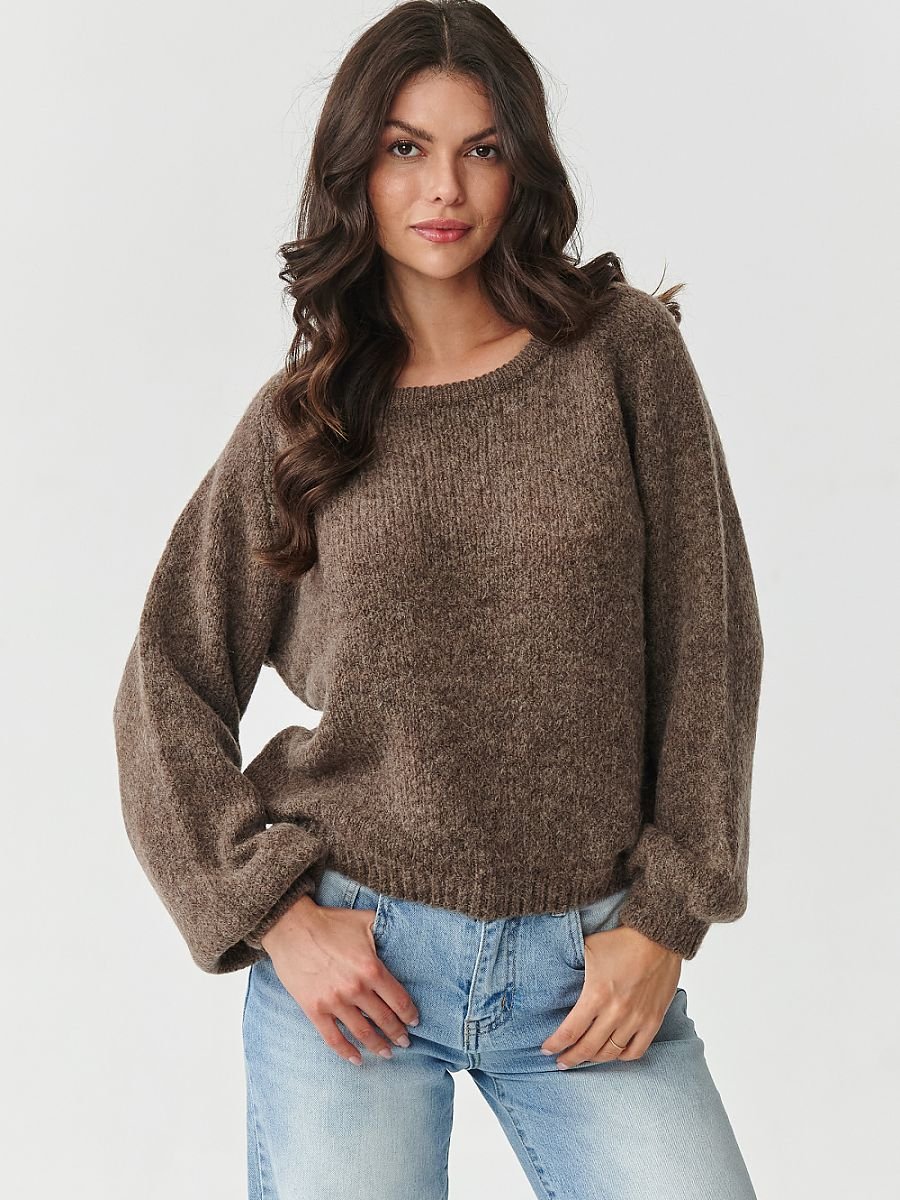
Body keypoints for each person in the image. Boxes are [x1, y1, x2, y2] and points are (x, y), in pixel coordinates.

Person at [112, 2, 765, 1197]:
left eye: (483, 148)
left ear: (524, 165)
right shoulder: (305, 420)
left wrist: (668, 917)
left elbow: (710, 643)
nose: (444, 187)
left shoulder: (621, 357)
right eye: (405, 148)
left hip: (592, 967)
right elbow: (167, 676)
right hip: (360, 969)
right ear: (355, 171)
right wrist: (273, 914)